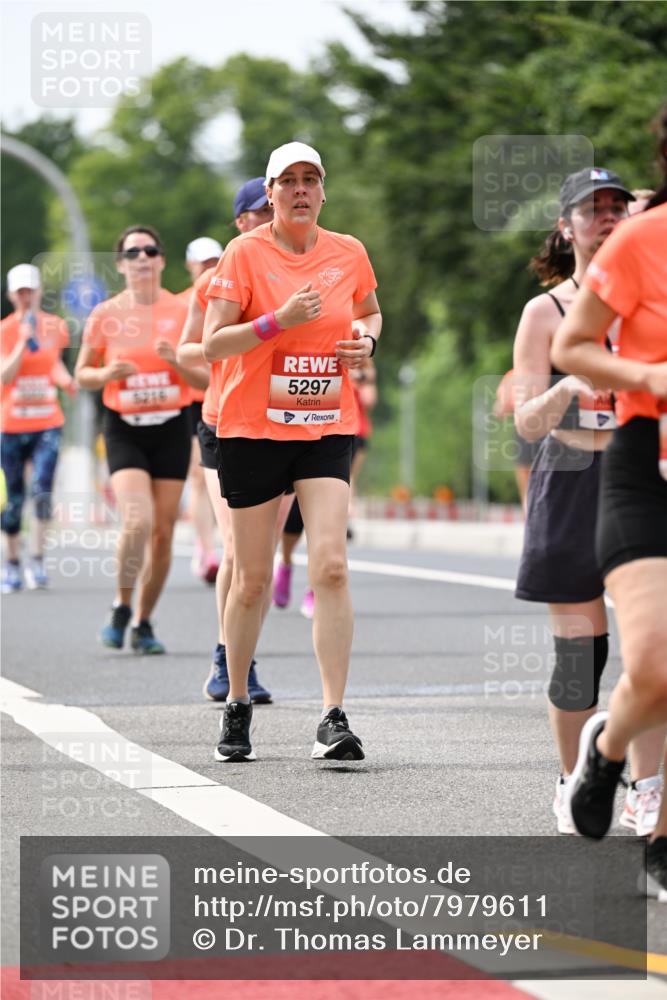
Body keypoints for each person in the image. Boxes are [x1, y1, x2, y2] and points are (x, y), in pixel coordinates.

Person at [203, 141, 381, 763]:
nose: (302, 190)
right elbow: (213, 345)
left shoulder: (349, 251)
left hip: (327, 422)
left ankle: (332, 716)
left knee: (330, 565)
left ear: (324, 190)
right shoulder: (244, 254)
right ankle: (237, 703)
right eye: (290, 182)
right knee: (250, 581)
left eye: (313, 180)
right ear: (270, 192)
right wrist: (275, 321)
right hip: (252, 427)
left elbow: (371, 313)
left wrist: (365, 343)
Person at [513, 168, 663, 836]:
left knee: (648, 655)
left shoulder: (647, 292)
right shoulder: (544, 312)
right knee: (580, 658)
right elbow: (524, 423)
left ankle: (646, 789)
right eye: (590, 209)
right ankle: (570, 777)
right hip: (572, 480)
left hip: (637, 476)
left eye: (614, 206)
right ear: (564, 224)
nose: (604, 218)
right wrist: (568, 385)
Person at [553, 110, 667, 899]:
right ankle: (604, 750)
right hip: (644, 463)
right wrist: (646, 379)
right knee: (655, 663)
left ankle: (659, 841)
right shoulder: (640, 239)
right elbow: (572, 345)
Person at [75, 225, 207, 654]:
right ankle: (120, 605)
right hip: (124, 427)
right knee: (138, 521)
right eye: (133, 253)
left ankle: (145, 621)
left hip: (171, 425)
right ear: (121, 264)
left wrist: (176, 362)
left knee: (164, 534)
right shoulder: (106, 314)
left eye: (151, 250)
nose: (143, 258)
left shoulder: (183, 310)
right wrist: (107, 374)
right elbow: (82, 374)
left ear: (162, 260)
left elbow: (203, 378)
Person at [176, 179, 281, 703]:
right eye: (260, 212)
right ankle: (229, 661)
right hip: (224, 425)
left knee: (261, 561)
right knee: (239, 551)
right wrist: (242, 348)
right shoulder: (214, 281)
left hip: (287, 425)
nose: (270, 218)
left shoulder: (302, 272)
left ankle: (242, 656)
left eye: (273, 209)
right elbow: (190, 350)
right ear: (240, 222)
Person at [273, 357, 377, 617]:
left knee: (325, 518)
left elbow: (370, 399)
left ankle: (314, 588)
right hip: (298, 428)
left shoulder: (359, 349)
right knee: (295, 516)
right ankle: (285, 562)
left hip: (346, 433)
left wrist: (362, 377)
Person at [1, 263, 76, 592]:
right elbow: (5, 375)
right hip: (12, 424)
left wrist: (65, 380)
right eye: (20, 292)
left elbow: (53, 364)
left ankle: (38, 558)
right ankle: (12, 561)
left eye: (31, 290)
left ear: (39, 292)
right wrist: (22, 341)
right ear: (11, 295)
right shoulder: (4, 330)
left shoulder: (56, 326)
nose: (26, 297)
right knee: (14, 496)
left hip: (47, 420)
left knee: (43, 487)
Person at [179, 237, 223, 584]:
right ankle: (206, 549)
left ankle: (229, 545)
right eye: (203, 263)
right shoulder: (184, 303)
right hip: (193, 398)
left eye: (215, 262)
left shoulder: (231, 294)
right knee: (198, 474)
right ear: (190, 266)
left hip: (230, 396)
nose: (209, 268)